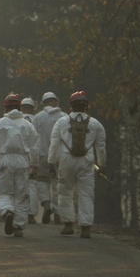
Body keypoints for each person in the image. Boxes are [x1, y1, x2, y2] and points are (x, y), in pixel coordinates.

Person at [49, 90, 107, 238]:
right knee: (86, 194)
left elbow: (54, 144)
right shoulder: (96, 124)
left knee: (64, 191)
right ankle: (85, 228)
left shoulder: (61, 122)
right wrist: (102, 165)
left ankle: (68, 225)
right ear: (86, 106)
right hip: (86, 161)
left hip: (66, 161)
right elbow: (101, 147)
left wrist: (51, 162)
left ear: (71, 106)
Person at [0, 93, 39, 238]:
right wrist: (35, 165)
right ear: (20, 107)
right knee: (22, 194)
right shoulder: (28, 125)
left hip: (4, 160)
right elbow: (34, 147)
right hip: (23, 161)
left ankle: (7, 210)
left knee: (3, 192)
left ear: (6, 108)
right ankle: (19, 226)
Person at [33, 91, 64, 224]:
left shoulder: (38, 117)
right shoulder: (64, 117)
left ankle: (46, 203)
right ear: (55, 101)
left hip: (42, 156)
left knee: (41, 182)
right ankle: (57, 214)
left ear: (44, 103)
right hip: (59, 156)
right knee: (58, 184)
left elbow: (33, 138)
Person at [20, 97, 40, 225]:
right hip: (33, 154)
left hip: (18, 155)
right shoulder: (37, 120)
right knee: (32, 185)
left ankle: (18, 213)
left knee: (18, 185)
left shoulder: (17, 120)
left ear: (21, 108)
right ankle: (31, 215)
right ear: (33, 108)